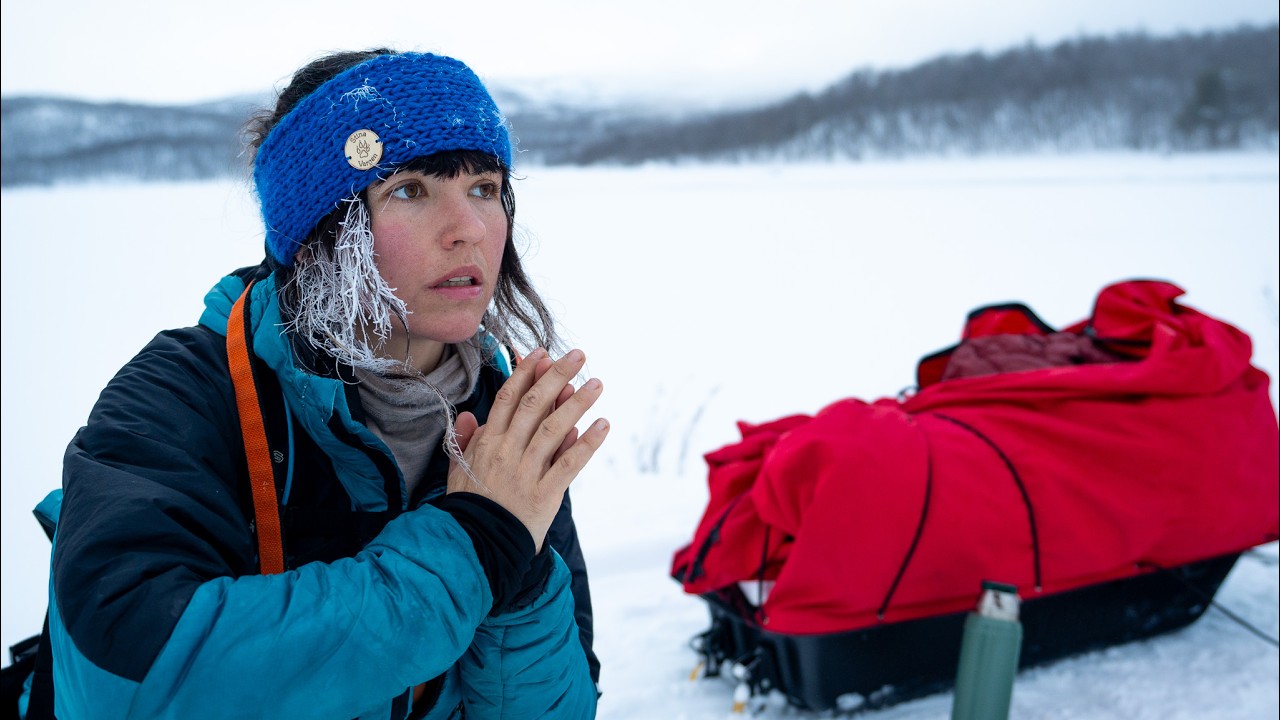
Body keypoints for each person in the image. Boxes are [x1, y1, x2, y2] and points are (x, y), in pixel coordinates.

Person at [34, 49, 607, 719]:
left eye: (484, 187)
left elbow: (566, 704)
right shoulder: (184, 397)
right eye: (411, 190)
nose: (471, 230)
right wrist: (475, 546)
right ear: (314, 235)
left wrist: (517, 572)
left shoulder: (499, 419)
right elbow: (125, 682)